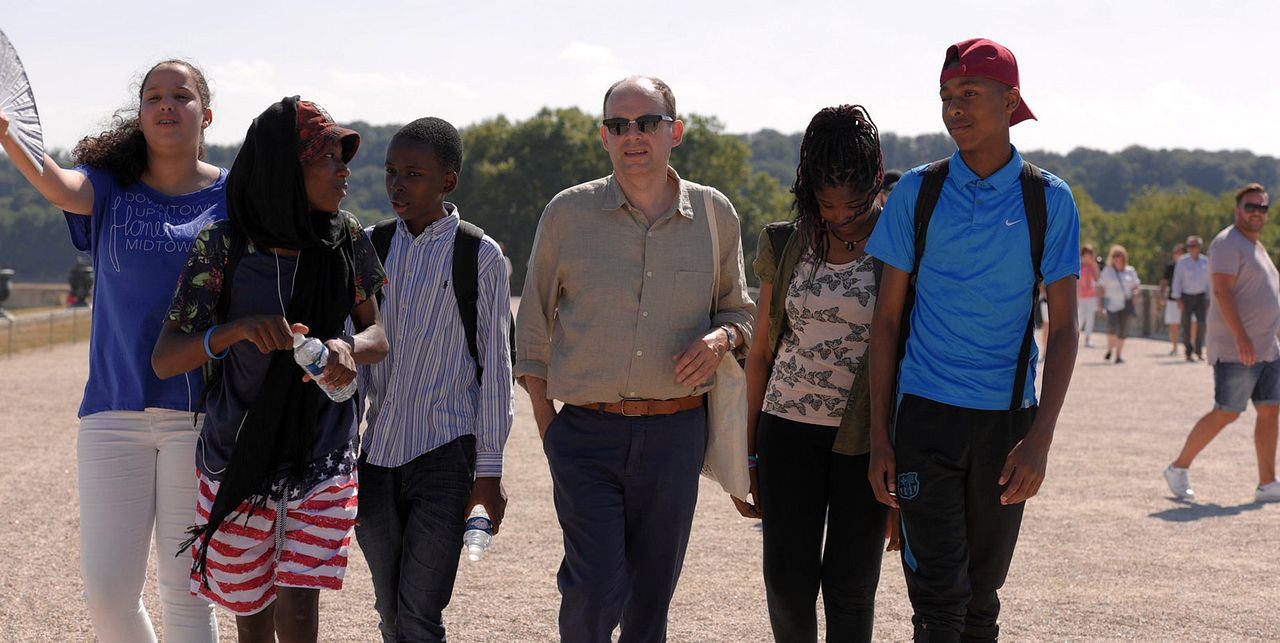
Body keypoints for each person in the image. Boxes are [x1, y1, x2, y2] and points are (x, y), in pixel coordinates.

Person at [516, 76, 755, 642]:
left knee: (651, 601)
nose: (632, 135)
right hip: (584, 436)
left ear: (674, 131)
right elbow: (530, 328)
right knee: (594, 589)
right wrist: (551, 430)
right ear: (603, 137)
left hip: (676, 437)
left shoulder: (716, 214)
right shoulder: (566, 214)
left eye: (646, 122)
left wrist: (722, 340)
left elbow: (741, 314)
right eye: (618, 125)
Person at [0, 59, 223, 642]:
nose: (166, 104)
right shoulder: (108, 187)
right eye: (154, 96)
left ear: (206, 112)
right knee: (106, 592)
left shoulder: (233, 196)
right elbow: (57, 185)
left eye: (181, 94)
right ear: (142, 113)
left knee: (186, 592)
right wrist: (8, 138)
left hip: (198, 416)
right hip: (110, 413)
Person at [865, 38, 1080, 641]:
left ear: (1009, 100)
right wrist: (882, 435)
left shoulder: (1048, 199)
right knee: (938, 600)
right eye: (946, 97)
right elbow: (885, 323)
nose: (954, 109)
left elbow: (1064, 330)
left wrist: (1040, 439)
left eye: (969, 94)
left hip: (1008, 424)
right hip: (925, 418)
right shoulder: (918, 191)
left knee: (982, 599)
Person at [152, 97, 388, 642]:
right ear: (285, 169)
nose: (344, 171)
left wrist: (347, 349)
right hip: (238, 457)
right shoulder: (224, 245)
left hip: (324, 455)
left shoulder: (346, 238)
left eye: (342, 157)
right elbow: (166, 357)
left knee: (301, 613)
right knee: (252, 618)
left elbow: (378, 335)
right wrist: (234, 330)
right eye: (328, 157)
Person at [737, 104, 897, 643]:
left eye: (854, 205)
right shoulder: (785, 244)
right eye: (826, 204)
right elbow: (760, 353)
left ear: (877, 182)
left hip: (865, 445)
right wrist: (747, 451)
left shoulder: (903, 248)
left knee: (852, 589)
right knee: (786, 583)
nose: (840, 216)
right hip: (786, 432)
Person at [355, 117, 513, 642]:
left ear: (448, 181)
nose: (398, 184)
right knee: (390, 614)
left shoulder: (480, 256)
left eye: (414, 174)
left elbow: (496, 372)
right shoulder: (371, 250)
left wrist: (488, 473)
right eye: (391, 172)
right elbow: (354, 362)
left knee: (420, 615)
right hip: (375, 458)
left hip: (447, 456)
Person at [1165, 184, 1280, 503]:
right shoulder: (1228, 243)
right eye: (1250, 206)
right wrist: (1242, 337)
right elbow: (1221, 291)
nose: (1256, 212)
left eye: (1262, 207)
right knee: (1227, 411)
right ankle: (1178, 467)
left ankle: (1267, 483)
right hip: (1237, 348)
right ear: (1237, 209)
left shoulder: (1257, 247)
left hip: (1267, 348)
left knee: (1270, 410)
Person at [1099, 245, 1140, 364]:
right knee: (1112, 328)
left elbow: (1135, 286)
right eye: (1114, 255)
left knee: (1123, 330)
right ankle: (1109, 349)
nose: (1116, 258)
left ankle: (1118, 355)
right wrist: (1101, 303)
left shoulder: (1130, 270)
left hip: (1126, 304)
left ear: (1124, 257)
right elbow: (1101, 287)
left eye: (1119, 255)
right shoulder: (1108, 271)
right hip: (1112, 304)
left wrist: (1135, 295)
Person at [1173, 235, 1210, 361]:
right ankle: (1188, 351)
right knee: (1186, 325)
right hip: (1186, 296)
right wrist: (1177, 298)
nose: (1192, 248)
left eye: (1195, 246)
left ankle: (1199, 350)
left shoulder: (1206, 261)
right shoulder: (1182, 261)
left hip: (1200, 296)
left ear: (1199, 247)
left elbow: (1209, 281)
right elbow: (1177, 280)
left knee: (1202, 323)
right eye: (1190, 246)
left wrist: (1209, 298)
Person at [1159, 243, 1186, 355]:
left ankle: (1191, 346)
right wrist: (1161, 296)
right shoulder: (1170, 267)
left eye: (1179, 252)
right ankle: (1175, 346)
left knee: (1192, 324)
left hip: (1188, 299)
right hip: (1172, 299)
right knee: (1173, 324)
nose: (1177, 255)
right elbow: (1164, 282)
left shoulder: (1190, 265)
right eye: (1175, 253)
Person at [1078, 244, 1100, 347]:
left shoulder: (1093, 265)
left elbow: (1097, 278)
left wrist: (1094, 265)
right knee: (1080, 317)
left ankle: (1087, 338)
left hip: (1091, 296)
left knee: (1090, 318)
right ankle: (1076, 336)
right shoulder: (1078, 264)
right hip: (1080, 296)